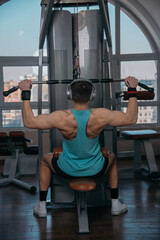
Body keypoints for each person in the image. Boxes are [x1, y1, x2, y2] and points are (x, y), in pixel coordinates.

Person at [18, 76, 138, 218]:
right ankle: (115, 203)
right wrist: (132, 89)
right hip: (96, 169)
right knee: (111, 157)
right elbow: (131, 118)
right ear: (92, 96)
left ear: (69, 96)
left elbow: (29, 122)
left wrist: (26, 92)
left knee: (45, 159)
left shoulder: (61, 117)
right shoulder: (101, 115)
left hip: (66, 169)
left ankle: (42, 206)